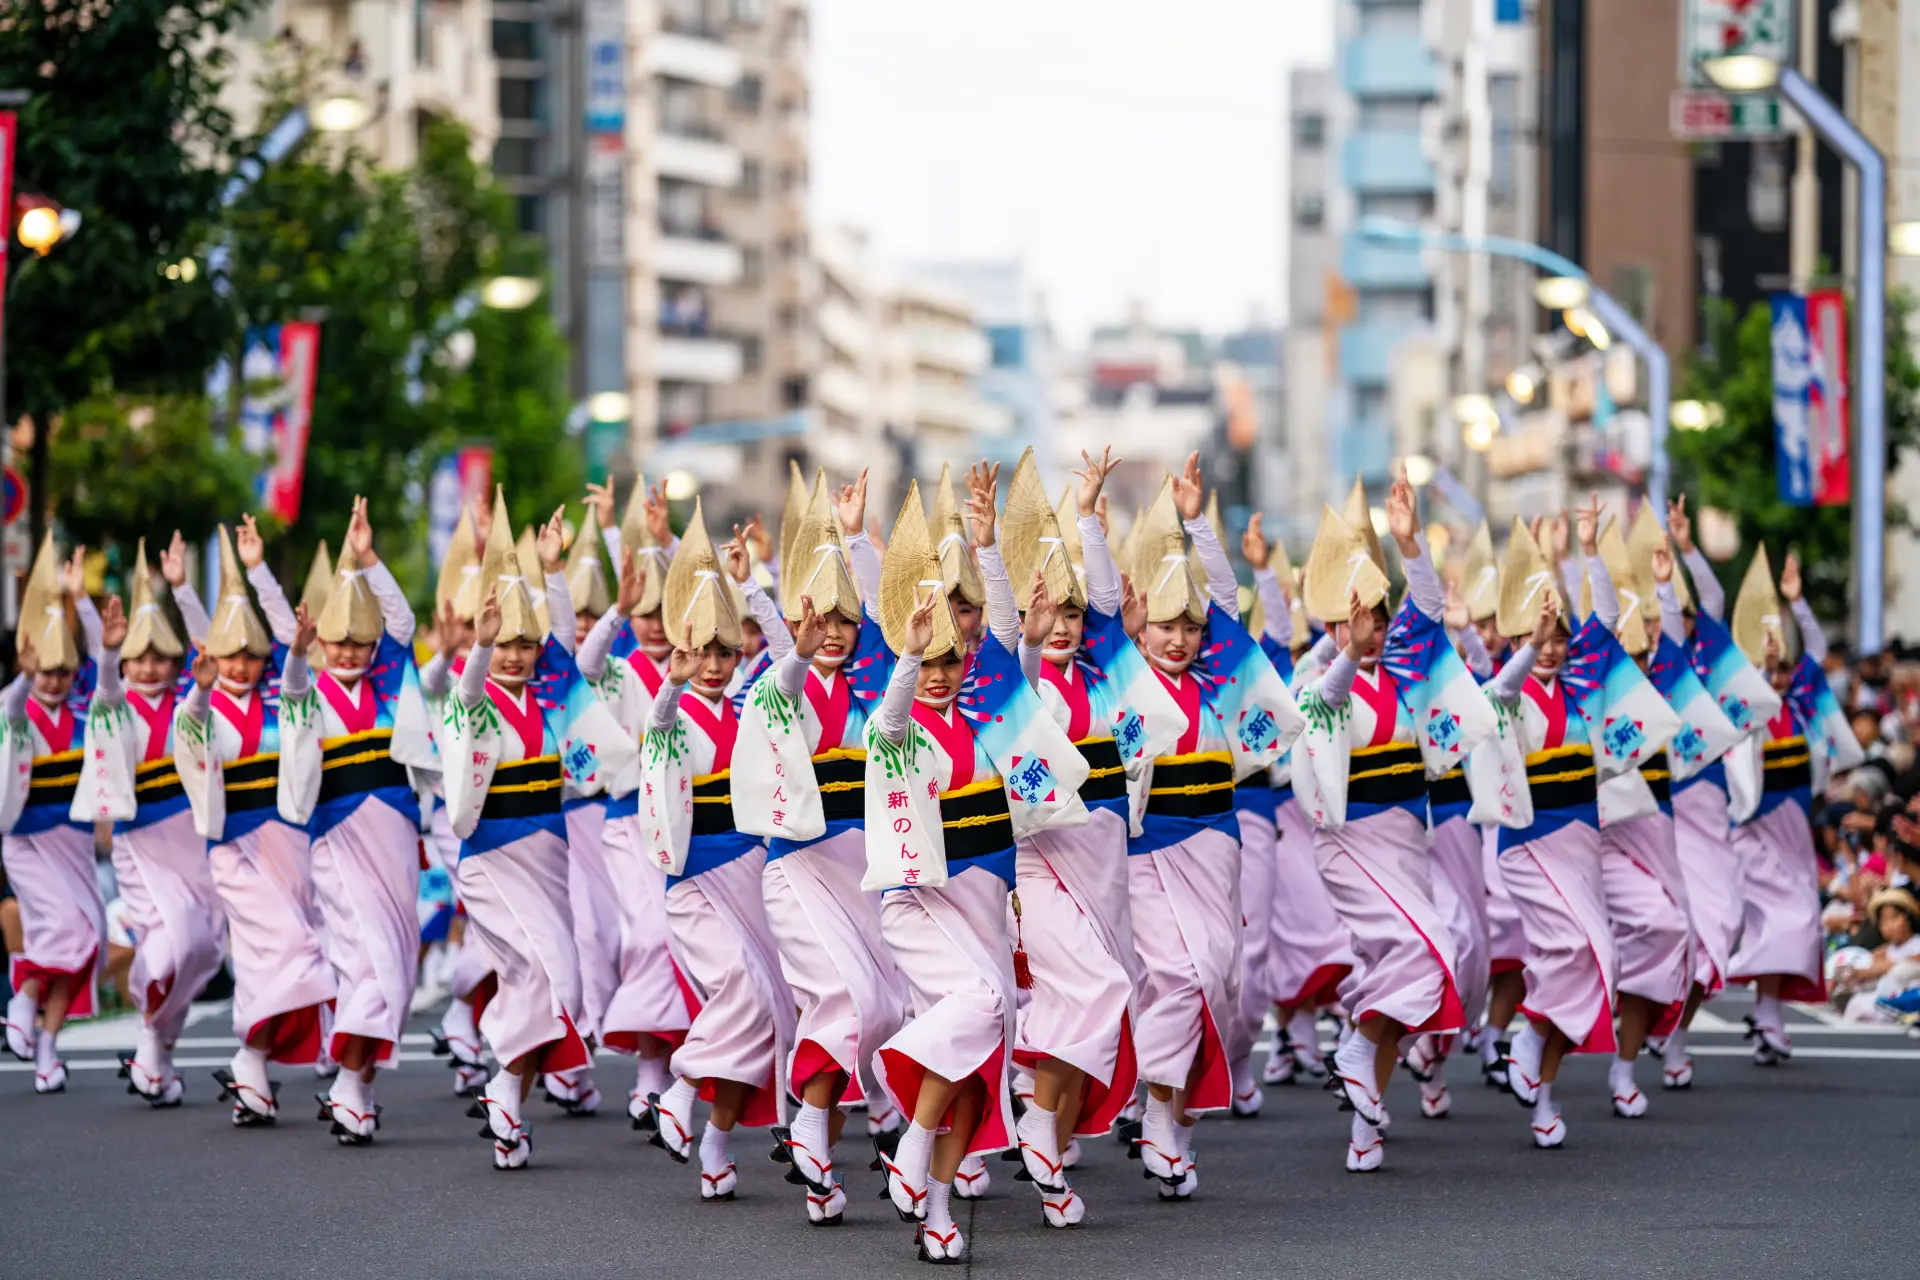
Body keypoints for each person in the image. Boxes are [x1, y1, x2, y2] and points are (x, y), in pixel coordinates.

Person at [868, 475, 1090, 1262]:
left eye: (949, 660)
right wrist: (905, 653)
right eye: (925, 663)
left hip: (987, 901)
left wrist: (989, 547)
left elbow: (1010, 645)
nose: (939, 673)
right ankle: (910, 1141)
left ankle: (933, 1207)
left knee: (979, 1060)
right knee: (985, 1003)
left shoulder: (991, 716)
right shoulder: (894, 727)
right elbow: (894, 709)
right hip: (923, 904)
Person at [990, 447, 1174, 1224]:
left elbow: (1105, 599)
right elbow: (1017, 648)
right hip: (1043, 867)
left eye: (1071, 615)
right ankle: (1031, 1107)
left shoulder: (1105, 673)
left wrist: (1091, 514)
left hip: (1105, 859)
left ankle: (1051, 1154)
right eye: (1051, 613)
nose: (1064, 625)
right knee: (1093, 992)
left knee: (1101, 1000)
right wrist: (1022, 621)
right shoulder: (1021, 681)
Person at [1292, 473, 1488, 1167]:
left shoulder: (1406, 671)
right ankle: (1354, 1050)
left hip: (1409, 838)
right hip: (1351, 846)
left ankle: (1364, 1124)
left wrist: (1410, 543)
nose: (1371, 627)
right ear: (1331, 623)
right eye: (1356, 618)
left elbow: (1429, 610)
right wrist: (1345, 650)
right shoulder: (1315, 681)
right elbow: (1322, 703)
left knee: (1420, 969)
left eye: (1377, 615)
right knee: (1422, 952)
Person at [732, 469, 907, 1226]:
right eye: (819, 618)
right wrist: (780, 627)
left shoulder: (870, 683)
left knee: (884, 1008)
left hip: (864, 863)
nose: (833, 629)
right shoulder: (779, 684)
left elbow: (890, 623)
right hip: (798, 866)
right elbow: (784, 672)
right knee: (849, 998)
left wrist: (857, 537)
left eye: (845, 618)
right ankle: (808, 1123)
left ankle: (820, 1165)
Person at [442, 489, 636, 1168]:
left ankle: (506, 1098)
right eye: (506, 644)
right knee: (543, 972)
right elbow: (467, 694)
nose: (518, 655)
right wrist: (480, 648)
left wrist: (553, 572)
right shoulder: (474, 701)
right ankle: (499, 1079)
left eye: (527, 644)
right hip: (491, 857)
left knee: (562, 987)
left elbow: (565, 649)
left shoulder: (551, 699)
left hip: (547, 853)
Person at [1125, 454, 1301, 1194]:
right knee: (1181, 974)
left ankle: (1177, 1116)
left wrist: (1198, 521)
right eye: (1165, 626)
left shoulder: (1220, 680)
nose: (1179, 639)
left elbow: (1227, 602)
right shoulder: (1124, 681)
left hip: (1217, 843)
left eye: (1189, 628)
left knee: (1222, 987)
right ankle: (1158, 1115)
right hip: (1149, 849)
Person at [1477, 514, 1677, 1147]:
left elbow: (1610, 616)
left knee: (1591, 963)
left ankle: (1540, 1081)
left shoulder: (1585, 688)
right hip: (1529, 845)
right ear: (1514, 640)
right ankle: (1529, 1037)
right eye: (1542, 637)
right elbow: (1499, 693)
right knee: (1584, 947)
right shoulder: (1503, 692)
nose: (1555, 645)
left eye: (1561, 635)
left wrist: (1590, 554)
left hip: (1581, 840)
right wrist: (1530, 645)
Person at [635, 503, 797, 1202]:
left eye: (723, 652)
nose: (711, 664)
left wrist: (753, 585)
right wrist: (670, 681)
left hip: (753, 871)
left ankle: (717, 1137)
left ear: (739, 654)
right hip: (696, 881)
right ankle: (676, 1090)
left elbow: (793, 657)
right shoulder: (670, 708)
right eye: (698, 652)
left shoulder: (753, 704)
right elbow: (658, 722)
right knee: (743, 990)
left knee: (774, 1010)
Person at [176, 520, 331, 1126]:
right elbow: (188, 740)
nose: (241, 663)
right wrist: (198, 690)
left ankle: (252, 1073)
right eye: (230, 653)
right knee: (291, 945)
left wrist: (260, 571)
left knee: (266, 958)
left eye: (251, 653)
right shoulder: (205, 703)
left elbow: (297, 656)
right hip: (232, 846)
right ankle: (250, 1061)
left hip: (288, 838)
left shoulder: (283, 695)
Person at [299, 498, 435, 1143]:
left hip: (395, 829)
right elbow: (293, 673)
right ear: (320, 643)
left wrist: (369, 557)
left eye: (360, 640)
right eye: (337, 641)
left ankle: (359, 1082)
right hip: (337, 836)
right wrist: (298, 654)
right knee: (366, 958)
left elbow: (405, 620)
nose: (348, 650)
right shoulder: (305, 691)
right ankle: (349, 1083)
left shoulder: (389, 683)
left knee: (399, 962)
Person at [1649, 498, 1778, 1087]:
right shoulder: (1655, 670)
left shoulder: (1707, 658)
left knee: (1722, 930)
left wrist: (1687, 548)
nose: (1667, 625)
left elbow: (1715, 602)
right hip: (1670, 819)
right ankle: (1663, 1037)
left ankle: (1674, 1028)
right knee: (1680, 933)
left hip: (1715, 812)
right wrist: (1659, 586)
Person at [92, 536, 224, 1106]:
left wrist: (182, 590)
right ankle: (152, 1039)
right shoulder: (114, 702)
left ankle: (157, 1049)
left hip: (190, 838)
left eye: (158, 656)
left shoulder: (189, 701)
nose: (149, 666)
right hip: (138, 840)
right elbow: (101, 693)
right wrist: (106, 652)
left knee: (200, 948)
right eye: (137, 657)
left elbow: (210, 654)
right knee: (169, 946)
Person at [1725, 548, 1863, 1062]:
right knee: (1792, 919)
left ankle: (1767, 1017)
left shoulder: (1803, 700)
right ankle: (1679, 1033)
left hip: (1794, 831)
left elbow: (1820, 649)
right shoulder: (1743, 705)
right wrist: (1762, 673)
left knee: (1793, 921)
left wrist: (1797, 602)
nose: (1781, 678)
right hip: (1755, 832)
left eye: (1784, 670)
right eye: (1773, 671)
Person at [1, 535, 113, 1094]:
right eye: (45, 671)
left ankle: (48, 1045)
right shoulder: (14, 705)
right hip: (25, 840)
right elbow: (13, 706)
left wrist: (81, 600)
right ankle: (22, 998)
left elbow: (104, 659)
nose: (54, 680)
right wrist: (22, 677)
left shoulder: (80, 706)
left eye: (62, 672)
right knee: (65, 930)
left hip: (70, 837)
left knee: (89, 936)